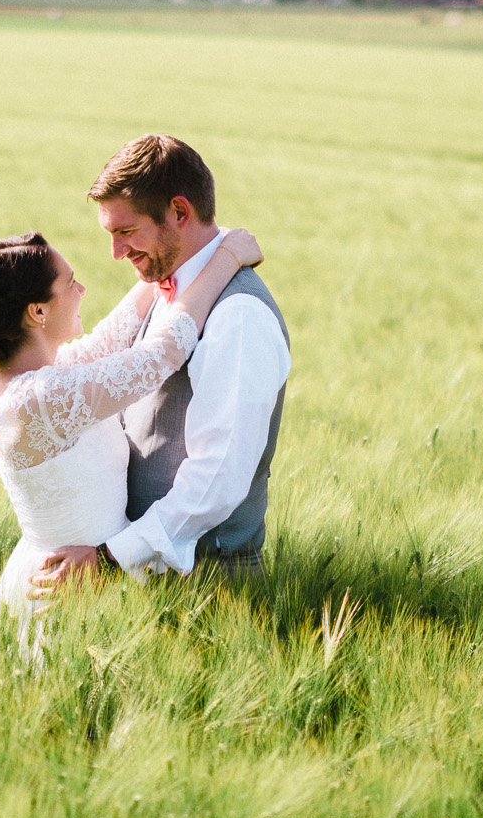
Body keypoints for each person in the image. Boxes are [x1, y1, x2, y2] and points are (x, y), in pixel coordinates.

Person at [0, 224, 263, 629]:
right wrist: (226, 259)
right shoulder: (41, 398)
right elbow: (160, 355)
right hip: (74, 589)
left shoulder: (4, 387)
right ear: (38, 311)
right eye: (71, 283)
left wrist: (171, 262)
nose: (82, 291)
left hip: (45, 573)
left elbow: (106, 342)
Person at [30, 134, 291, 593]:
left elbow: (218, 479)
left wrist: (113, 559)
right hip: (146, 575)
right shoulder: (167, 285)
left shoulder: (239, 316)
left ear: (179, 212)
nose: (116, 253)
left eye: (126, 232)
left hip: (209, 588)